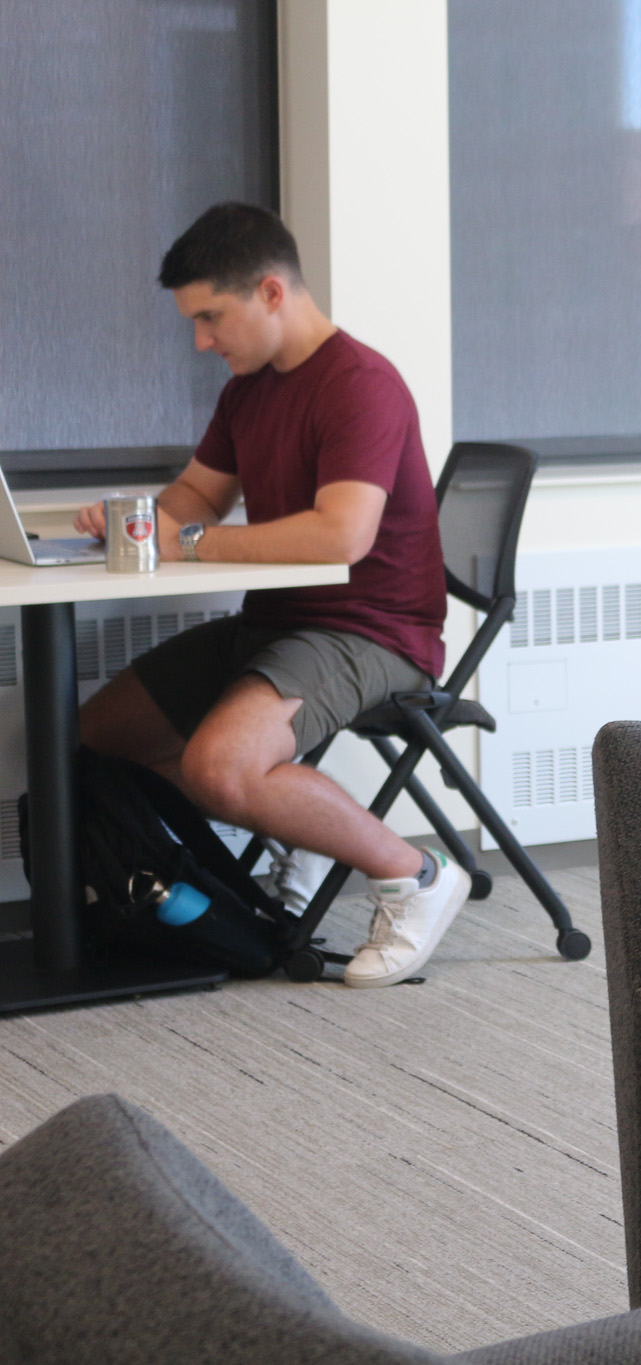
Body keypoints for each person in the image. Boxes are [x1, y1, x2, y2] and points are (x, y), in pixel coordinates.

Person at [74, 202, 469, 988]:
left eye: (211, 317)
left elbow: (340, 536)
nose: (202, 340)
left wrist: (191, 543)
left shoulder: (361, 385)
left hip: (371, 631)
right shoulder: (248, 390)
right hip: (279, 622)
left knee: (223, 767)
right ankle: (298, 825)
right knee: (94, 733)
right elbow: (195, 497)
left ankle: (415, 874)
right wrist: (135, 525)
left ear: (271, 292)